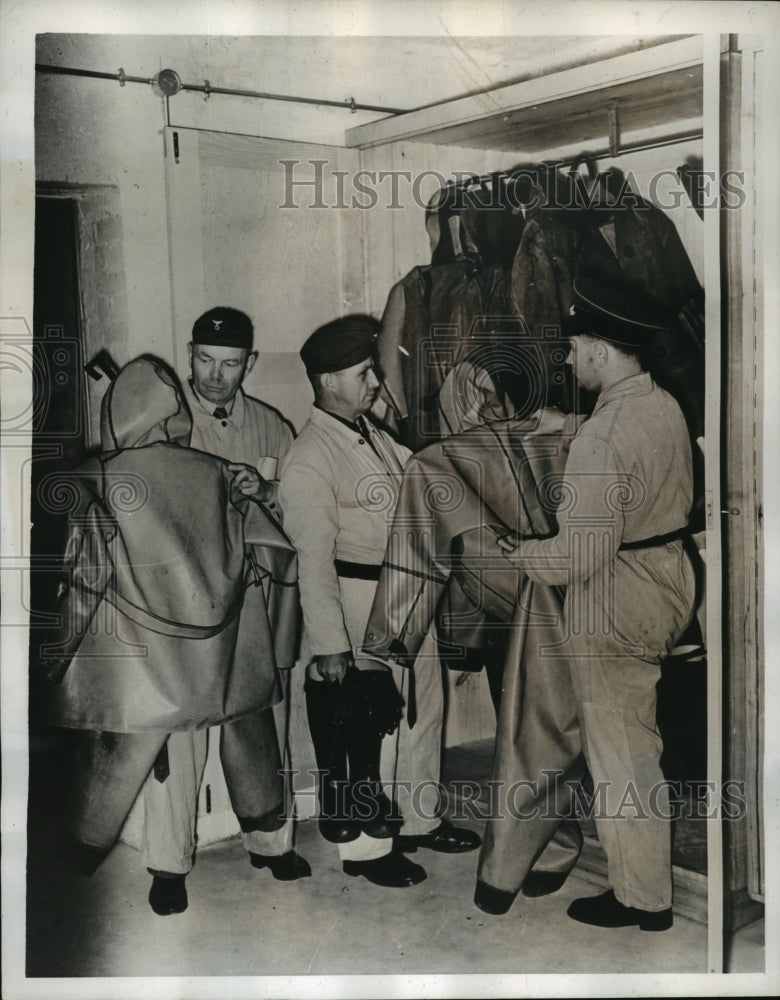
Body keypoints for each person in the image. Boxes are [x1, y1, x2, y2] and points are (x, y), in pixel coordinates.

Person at [35, 356, 304, 917]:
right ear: (175, 414)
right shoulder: (217, 471)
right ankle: (271, 849)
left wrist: (53, 659)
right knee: (253, 746)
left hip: (155, 666)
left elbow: (83, 580)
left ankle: (169, 872)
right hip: (226, 652)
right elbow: (277, 553)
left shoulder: (98, 479)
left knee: (166, 759)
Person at [493, 276, 696, 930]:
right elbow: (623, 445)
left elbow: (579, 554)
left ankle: (644, 899)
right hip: (665, 581)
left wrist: (515, 551)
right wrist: (569, 424)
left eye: (576, 346)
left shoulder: (602, 438)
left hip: (615, 597)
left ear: (603, 352)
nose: (569, 358)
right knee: (632, 739)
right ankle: (644, 888)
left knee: (621, 754)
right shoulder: (660, 403)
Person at [278, 314, 481, 888]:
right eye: (363, 372)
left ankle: (419, 819)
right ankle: (369, 850)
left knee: (422, 715)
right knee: (373, 727)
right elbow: (312, 562)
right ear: (327, 382)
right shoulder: (310, 457)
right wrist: (329, 648)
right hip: (360, 601)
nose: (374, 382)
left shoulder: (373, 433)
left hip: (407, 593)